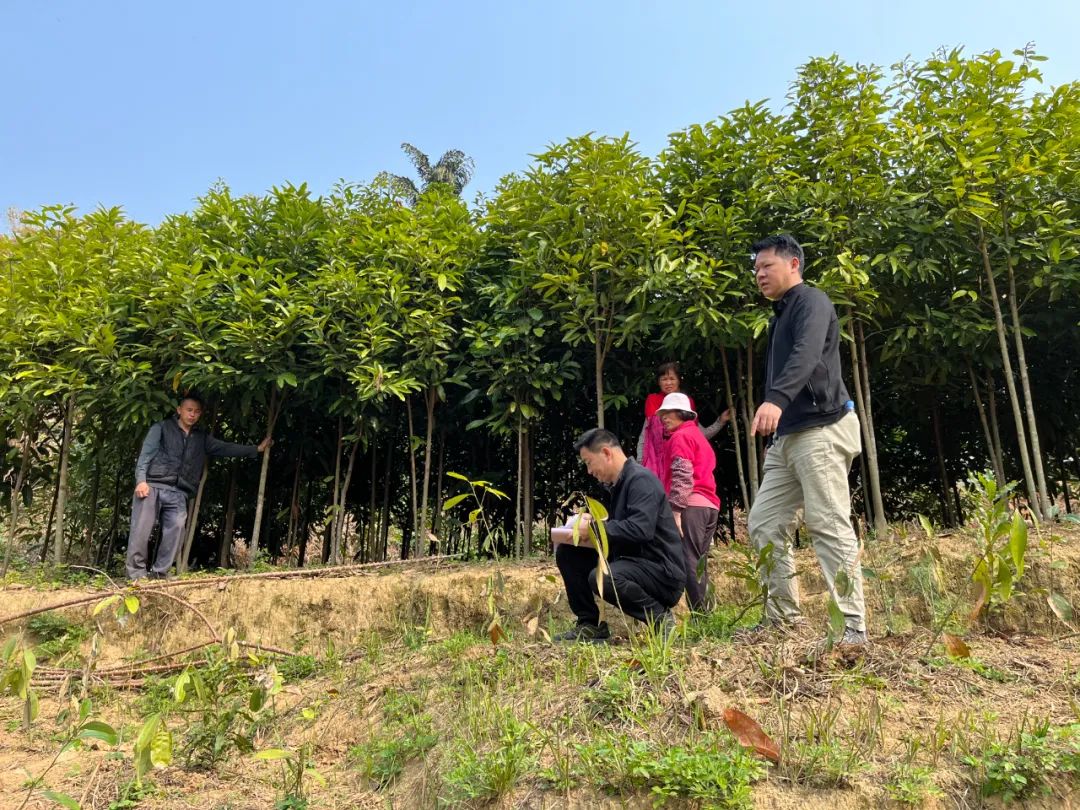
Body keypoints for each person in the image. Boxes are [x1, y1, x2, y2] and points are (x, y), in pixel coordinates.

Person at [743, 234, 867, 645]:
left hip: (822, 428)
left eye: (767, 266)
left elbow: (808, 353)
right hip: (789, 437)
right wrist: (778, 427)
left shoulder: (811, 301)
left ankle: (852, 628)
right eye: (756, 269)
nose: (759, 274)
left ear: (793, 264)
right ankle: (782, 619)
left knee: (827, 522)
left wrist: (775, 400)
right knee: (764, 523)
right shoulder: (779, 316)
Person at [552, 429, 686, 641]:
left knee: (603, 577)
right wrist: (587, 526)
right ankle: (589, 624)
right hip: (632, 561)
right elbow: (618, 528)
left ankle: (660, 619)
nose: (589, 471)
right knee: (569, 553)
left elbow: (640, 529)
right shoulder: (616, 486)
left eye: (589, 462)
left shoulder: (641, 480)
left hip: (661, 572)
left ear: (606, 453)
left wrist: (595, 529)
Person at [126, 395, 271, 581]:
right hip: (152, 485)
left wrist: (256, 449)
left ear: (200, 414)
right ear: (179, 410)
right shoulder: (161, 428)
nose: (192, 415)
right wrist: (141, 480)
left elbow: (225, 448)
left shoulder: (201, 438)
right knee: (141, 530)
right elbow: (146, 454)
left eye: (196, 411)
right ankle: (136, 575)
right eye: (189, 410)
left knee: (177, 529)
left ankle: (159, 574)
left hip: (179, 491)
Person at [655, 392, 721, 611]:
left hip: (690, 505)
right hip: (709, 505)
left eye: (669, 412)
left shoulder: (680, 437)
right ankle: (708, 613)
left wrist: (675, 510)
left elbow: (683, 474)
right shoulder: (697, 436)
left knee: (689, 560)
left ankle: (701, 615)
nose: (664, 417)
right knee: (700, 561)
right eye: (663, 413)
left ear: (683, 413)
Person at [637, 362, 729, 477]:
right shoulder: (653, 400)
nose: (668, 383)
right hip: (655, 463)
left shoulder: (687, 403)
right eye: (664, 379)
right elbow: (646, 436)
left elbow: (698, 435)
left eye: (672, 379)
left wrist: (720, 421)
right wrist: (640, 462)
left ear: (679, 380)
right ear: (659, 382)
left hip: (683, 459)